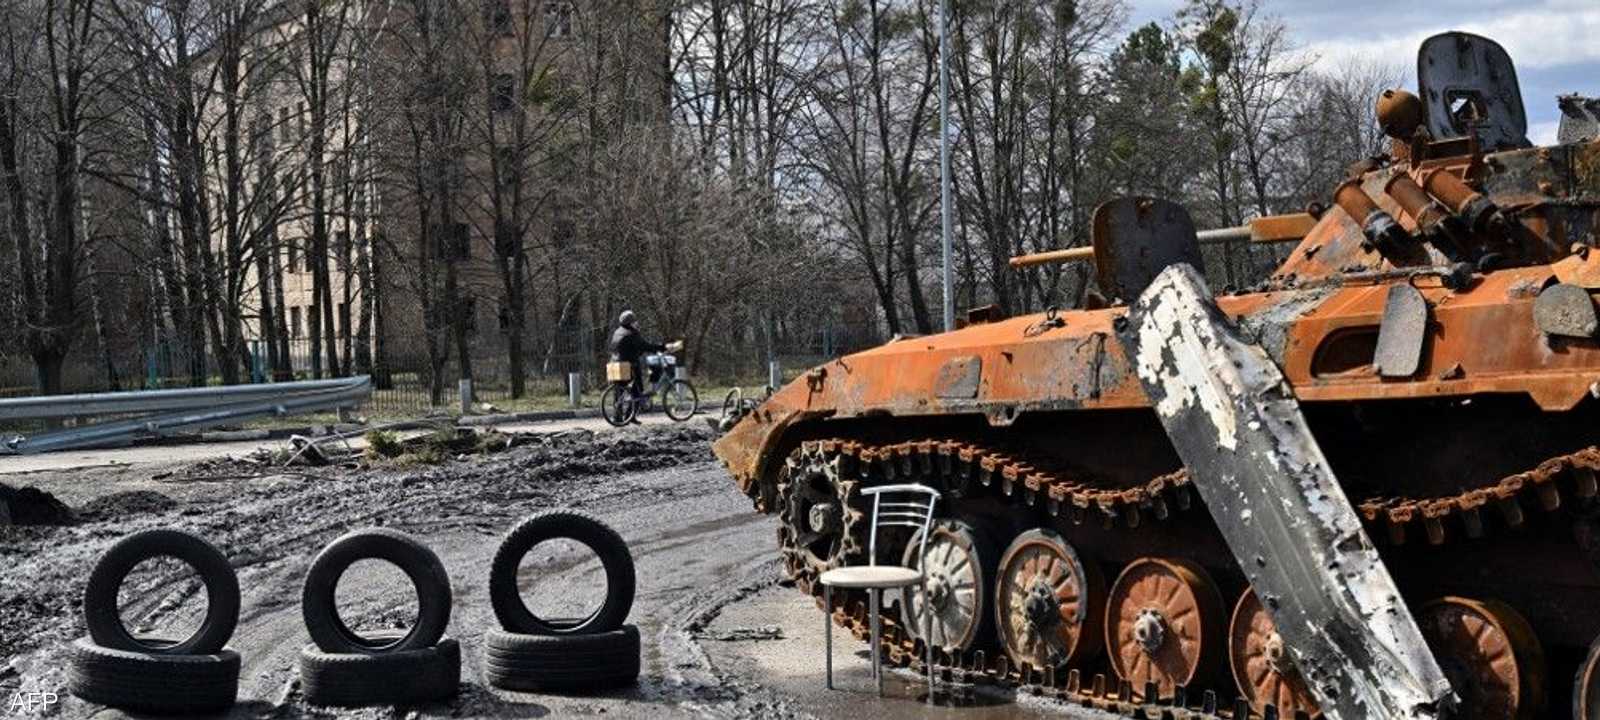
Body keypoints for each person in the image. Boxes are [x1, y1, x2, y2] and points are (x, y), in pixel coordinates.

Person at [609, 310, 666, 398]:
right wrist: (660, 347)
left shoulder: (617, 332)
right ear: (630, 323)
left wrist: (639, 352)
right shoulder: (632, 333)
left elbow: (624, 347)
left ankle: (619, 409)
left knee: (619, 389)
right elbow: (644, 345)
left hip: (614, 363)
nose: (636, 323)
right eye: (634, 321)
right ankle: (638, 398)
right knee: (638, 381)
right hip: (628, 364)